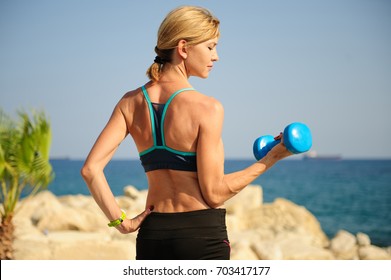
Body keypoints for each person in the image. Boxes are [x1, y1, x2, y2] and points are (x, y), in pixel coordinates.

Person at [81, 5, 292, 260]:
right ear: (183, 48)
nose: (216, 57)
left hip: (152, 236)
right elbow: (214, 194)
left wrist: (121, 222)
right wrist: (272, 158)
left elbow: (90, 169)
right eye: (210, 47)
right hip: (200, 235)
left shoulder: (129, 103)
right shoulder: (207, 108)